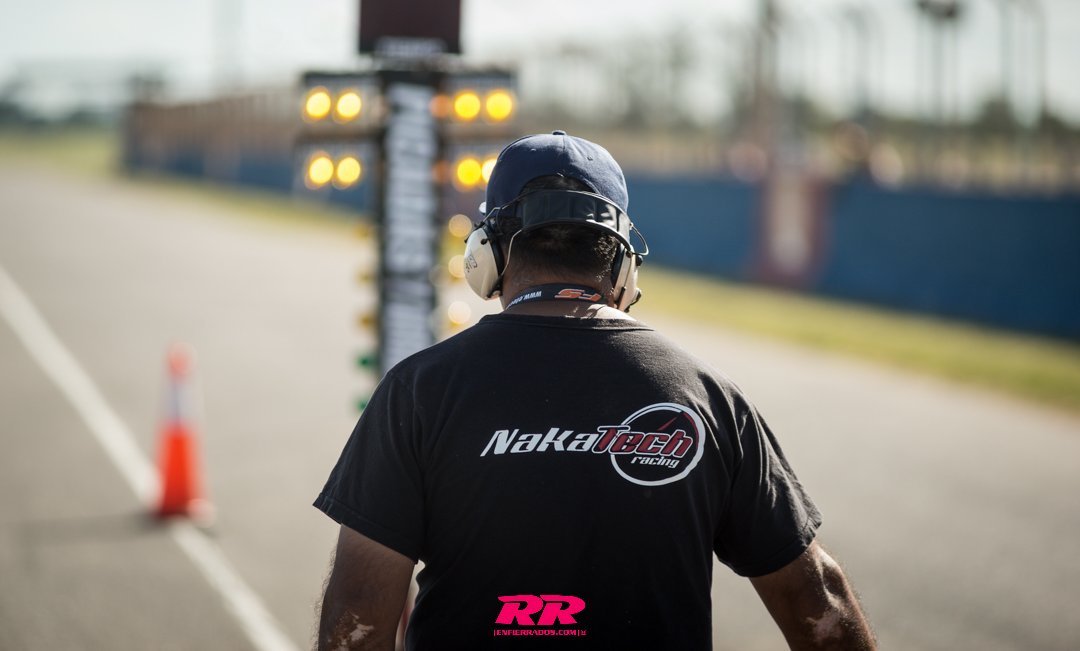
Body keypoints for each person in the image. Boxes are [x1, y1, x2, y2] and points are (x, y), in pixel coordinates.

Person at [314, 131, 876, 650]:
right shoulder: (710, 399)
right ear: (624, 265)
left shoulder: (417, 390)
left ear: (486, 253)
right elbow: (819, 604)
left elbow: (356, 620)